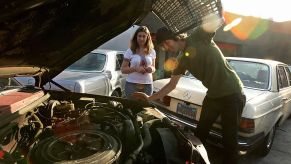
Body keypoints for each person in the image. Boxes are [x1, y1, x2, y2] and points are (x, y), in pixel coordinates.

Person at [133, 24, 246, 164]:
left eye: (167, 43)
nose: (167, 48)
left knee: (229, 140)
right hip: (213, 95)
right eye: (163, 46)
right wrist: (149, 98)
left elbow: (215, 20)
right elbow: (171, 85)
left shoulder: (199, 36)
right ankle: (195, 160)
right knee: (200, 135)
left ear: (176, 37)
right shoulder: (181, 60)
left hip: (232, 93)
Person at [121, 26, 156, 99]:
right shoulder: (130, 51)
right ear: (136, 37)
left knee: (145, 108)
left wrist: (151, 69)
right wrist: (136, 69)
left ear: (147, 38)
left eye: (144, 36)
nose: (141, 38)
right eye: (139, 36)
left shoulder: (152, 51)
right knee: (131, 107)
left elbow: (154, 67)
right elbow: (123, 70)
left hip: (147, 84)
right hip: (131, 84)